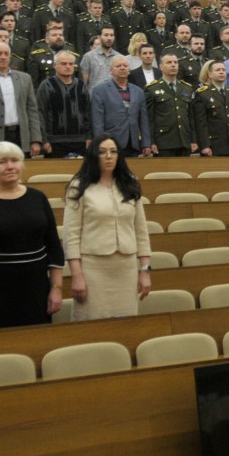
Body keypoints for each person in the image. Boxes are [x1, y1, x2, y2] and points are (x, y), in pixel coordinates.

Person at [0, 142, 65, 330]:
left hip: (35, 291)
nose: (9, 166)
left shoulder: (38, 198)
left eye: (14, 160)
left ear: (22, 164)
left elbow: (54, 248)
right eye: (2, 162)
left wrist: (56, 289)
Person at [63, 135, 151, 321]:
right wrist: (76, 276)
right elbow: (71, 236)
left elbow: (141, 232)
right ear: (93, 156)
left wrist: (144, 271)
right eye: (102, 152)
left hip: (126, 269)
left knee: (125, 325)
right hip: (92, 269)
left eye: (113, 151)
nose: (109, 156)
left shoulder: (130, 184)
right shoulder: (78, 186)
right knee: (92, 325)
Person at [90, 55, 151, 156]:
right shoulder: (100, 90)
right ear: (111, 70)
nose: (122, 68)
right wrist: (99, 143)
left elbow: (143, 120)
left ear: (129, 70)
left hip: (133, 144)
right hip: (110, 143)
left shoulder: (138, 91)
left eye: (125, 66)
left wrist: (146, 143)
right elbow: (97, 121)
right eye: (118, 66)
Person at [37, 50, 92, 158]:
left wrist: (89, 137)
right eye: (64, 64)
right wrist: (44, 140)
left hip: (80, 142)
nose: (68, 67)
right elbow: (40, 114)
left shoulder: (81, 85)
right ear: (55, 65)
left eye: (71, 64)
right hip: (54, 142)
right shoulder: (46, 85)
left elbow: (88, 113)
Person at [144, 53, 195, 157]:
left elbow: (191, 116)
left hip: (184, 140)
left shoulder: (187, 88)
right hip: (163, 141)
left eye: (175, 62)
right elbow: (149, 118)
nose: (173, 65)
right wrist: (151, 142)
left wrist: (194, 140)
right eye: (169, 62)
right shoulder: (152, 88)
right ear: (160, 66)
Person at [192, 59, 229, 157]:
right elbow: (201, 123)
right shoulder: (203, 94)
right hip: (214, 145)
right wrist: (205, 145)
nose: (221, 72)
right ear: (210, 74)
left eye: (223, 70)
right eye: (217, 70)